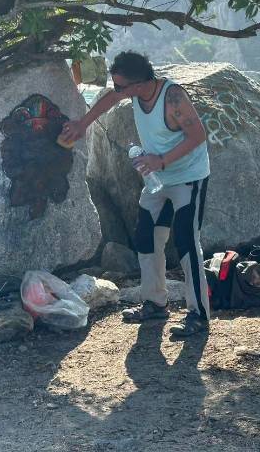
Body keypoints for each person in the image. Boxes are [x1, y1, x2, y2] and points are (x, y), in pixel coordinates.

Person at [60, 52, 211, 337]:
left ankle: (198, 315)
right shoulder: (133, 93)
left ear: (139, 83)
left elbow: (197, 136)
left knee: (187, 243)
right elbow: (108, 99)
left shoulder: (173, 98)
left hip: (188, 179)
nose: (117, 92)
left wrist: (162, 160)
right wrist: (83, 123)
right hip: (157, 180)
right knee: (146, 238)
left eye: (121, 87)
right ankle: (155, 303)